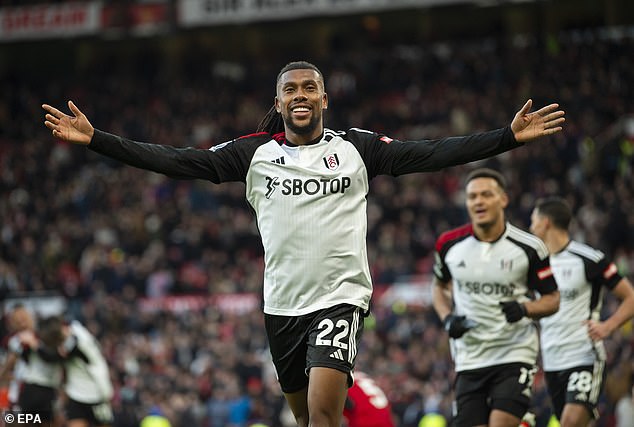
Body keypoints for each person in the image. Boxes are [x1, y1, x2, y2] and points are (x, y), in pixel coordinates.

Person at [42, 60, 565, 427]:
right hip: (282, 307)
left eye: (309, 88)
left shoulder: (356, 149)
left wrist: (506, 137)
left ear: (323, 98)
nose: (300, 96)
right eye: (290, 89)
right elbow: (180, 161)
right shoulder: (253, 155)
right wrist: (98, 140)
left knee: (322, 412)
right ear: (279, 101)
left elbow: (431, 152)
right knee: (302, 417)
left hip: (339, 298)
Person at [431, 168, 561, 427]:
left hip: (514, 353)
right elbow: (439, 287)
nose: (478, 201)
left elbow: (553, 299)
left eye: (486, 195)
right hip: (470, 357)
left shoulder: (529, 248)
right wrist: (447, 318)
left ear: (503, 199)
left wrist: (525, 309)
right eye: (472, 196)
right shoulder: (449, 245)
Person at [529, 196, 634, 426]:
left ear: (545, 222)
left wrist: (608, 326)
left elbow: (630, 297)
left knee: (570, 422)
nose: (530, 228)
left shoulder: (588, 258)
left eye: (533, 221)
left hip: (583, 356)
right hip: (552, 361)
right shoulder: (536, 265)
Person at [38, 316, 114, 427]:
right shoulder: (72, 332)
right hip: (76, 395)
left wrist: (36, 346)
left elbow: (52, 357)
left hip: (96, 393)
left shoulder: (79, 338)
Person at [0, 306, 63, 426]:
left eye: (24, 319)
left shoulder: (44, 336)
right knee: (13, 420)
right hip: (22, 393)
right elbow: (8, 367)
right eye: (17, 321)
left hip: (45, 392)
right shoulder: (16, 341)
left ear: (31, 317)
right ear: (12, 324)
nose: (22, 323)